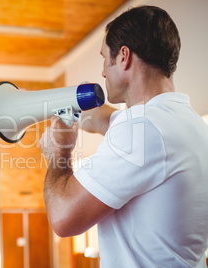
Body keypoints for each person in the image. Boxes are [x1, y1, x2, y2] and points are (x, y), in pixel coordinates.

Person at [40, 5, 208, 267]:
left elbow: (62, 217)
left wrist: (58, 153)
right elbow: (102, 119)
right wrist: (51, 102)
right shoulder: (186, 122)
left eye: (104, 58)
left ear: (124, 57)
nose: (103, 72)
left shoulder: (142, 128)